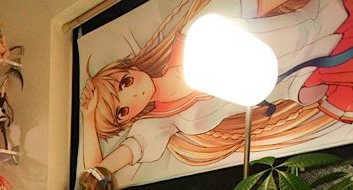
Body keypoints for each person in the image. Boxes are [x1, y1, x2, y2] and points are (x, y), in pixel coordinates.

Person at [79, 0, 347, 180]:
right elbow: (96, 175)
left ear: (129, 67)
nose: (134, 95)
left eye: (125, 83)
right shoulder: (158, 124)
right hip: (304, 79)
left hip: (317, 26)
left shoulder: (196, 34)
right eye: (122, 110)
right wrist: (89, 119)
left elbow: (259, 5)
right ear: (128, 119)